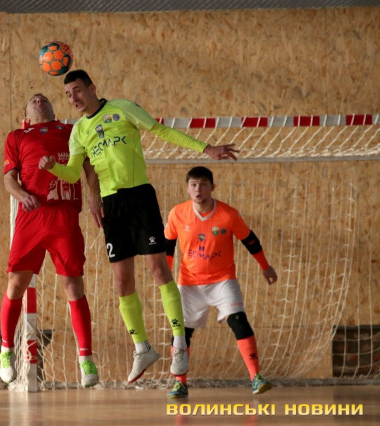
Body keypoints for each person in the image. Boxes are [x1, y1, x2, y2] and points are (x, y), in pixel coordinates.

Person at [38, 69, 239, 384]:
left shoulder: (122, 108)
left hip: (140, 197)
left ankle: (179, 344)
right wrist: (54, 168)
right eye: (67, 94)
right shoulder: (78, 131)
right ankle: (142, 348)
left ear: (92, 88)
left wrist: (206, 148)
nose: (73, 98)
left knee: (159, 269)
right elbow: (74, 172)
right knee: (122, 282)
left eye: (77, 90)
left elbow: (161, 131)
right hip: (112, 206)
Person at [0, 93, 99, 388]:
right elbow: (8, 179)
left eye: (43, 98)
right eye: (33, 100)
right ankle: (6, 351)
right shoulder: (17, 136)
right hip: (32, 217)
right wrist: (22, 196)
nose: (39, 100)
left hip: (64, 216)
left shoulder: (72, 131)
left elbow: (90, 169)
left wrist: (95, 197)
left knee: (73, 285)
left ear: (54, 109)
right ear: (26, 115)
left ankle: (86, 359)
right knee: (16, 284)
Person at [164, 166, 277, 398]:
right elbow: (167, 246)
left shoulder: (229, 214)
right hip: (189, 283)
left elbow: (250, 241)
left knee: (239, 321)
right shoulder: (177, 213)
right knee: (181, 332)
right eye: (194, 185)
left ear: (212, 187)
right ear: (187, 188)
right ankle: (180, 383)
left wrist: (265, 266)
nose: (198, 189)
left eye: (203, 184)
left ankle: (256, 377)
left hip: (223, 281)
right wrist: (165, 279)